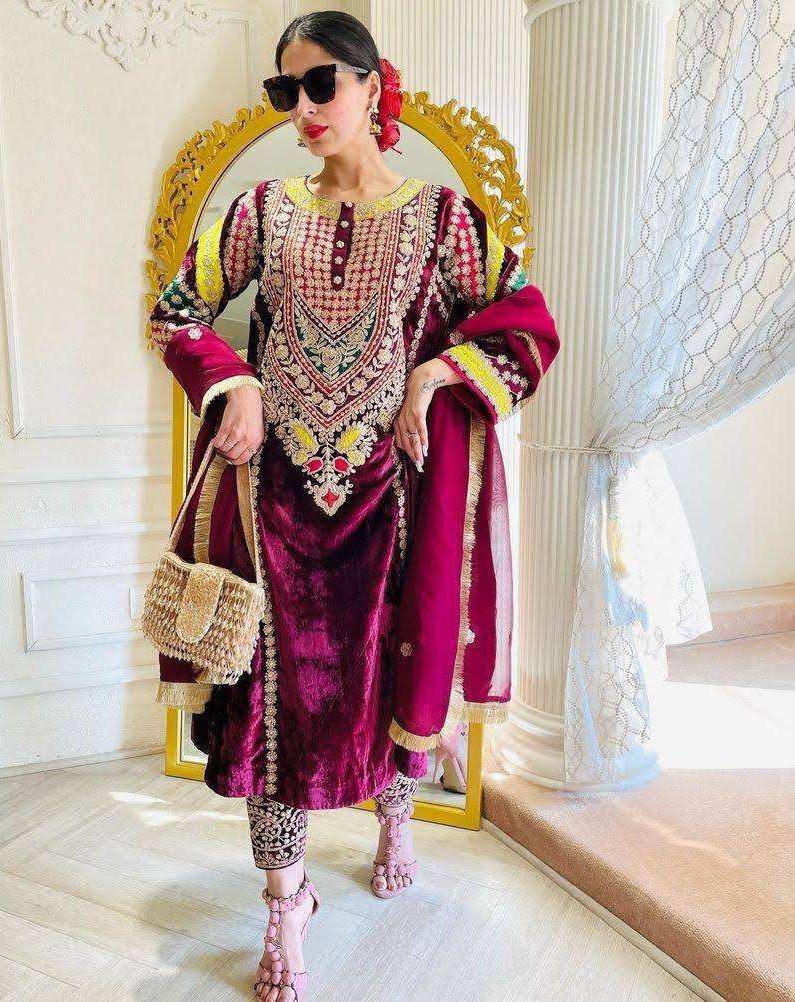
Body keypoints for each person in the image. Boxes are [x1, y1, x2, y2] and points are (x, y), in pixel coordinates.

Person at [146, 12, 559, 1000]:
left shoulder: (446, 221)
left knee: (393, 683)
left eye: (320, 82)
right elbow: (176, 310)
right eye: (283, 91)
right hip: (275, 510)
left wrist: (437, 374)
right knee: (266, 713)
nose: (301, 107)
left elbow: (527, 324)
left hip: (393, 511)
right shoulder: (258, 213)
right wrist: (233, 382)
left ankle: (394, 821)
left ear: (374, 84)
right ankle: (286, 901)